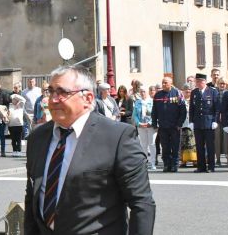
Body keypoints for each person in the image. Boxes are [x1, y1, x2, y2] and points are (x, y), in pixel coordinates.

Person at [24, 66, 155, 234]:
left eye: (62, 92)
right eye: (51, 91)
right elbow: (32, 199)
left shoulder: (117, 137)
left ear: (88, 98)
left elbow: (142, 204)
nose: (53, 99)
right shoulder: (38, 138)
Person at [152, 77, 187, 173]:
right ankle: (166, 164)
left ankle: (174, 165)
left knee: (175, 146)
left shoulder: (177, 93)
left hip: (175, 126)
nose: (163, 84)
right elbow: (154, 111)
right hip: (163, 126)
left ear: (171, 83)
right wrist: (154, 123)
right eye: (162, 82)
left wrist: (179, 123)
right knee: (165, 146)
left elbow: (183, 110)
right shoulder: (157, 95)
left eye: (165, 83)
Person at [189, 73, 220, 173]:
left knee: (210, 146)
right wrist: (191, 121)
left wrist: (215, 121)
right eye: (197, 81)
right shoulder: (194, 92)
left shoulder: (212, 91)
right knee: (199, 146)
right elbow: (191, 108)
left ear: (205, 82)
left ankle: (211, 166)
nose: (198, 83)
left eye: (201, 81)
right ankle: (201, 166)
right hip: (198, 123)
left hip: (209, 122)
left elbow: (216, 108)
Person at [133, 87, 156, 170]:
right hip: (141, 126)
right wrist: (138, 123)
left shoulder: (152, 101)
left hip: (151, 126)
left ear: (147, 92)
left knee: (152, 144)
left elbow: (155, 113)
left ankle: (152, 162)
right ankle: (144, 162)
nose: (142, 93)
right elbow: (134, 115)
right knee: (143, 145)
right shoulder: (137, 102)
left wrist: (150, 123)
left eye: (144, 92)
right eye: (141, 92)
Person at [179, 83, 197, 168]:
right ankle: (183, 161)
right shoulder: (180, 100)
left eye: (189, 90)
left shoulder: (194, 100)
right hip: (183, 124)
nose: (188, 91)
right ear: (182, 91)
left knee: (193, 143)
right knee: (183, 143)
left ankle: (194, 160)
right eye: (186, 90)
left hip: (192, 124)